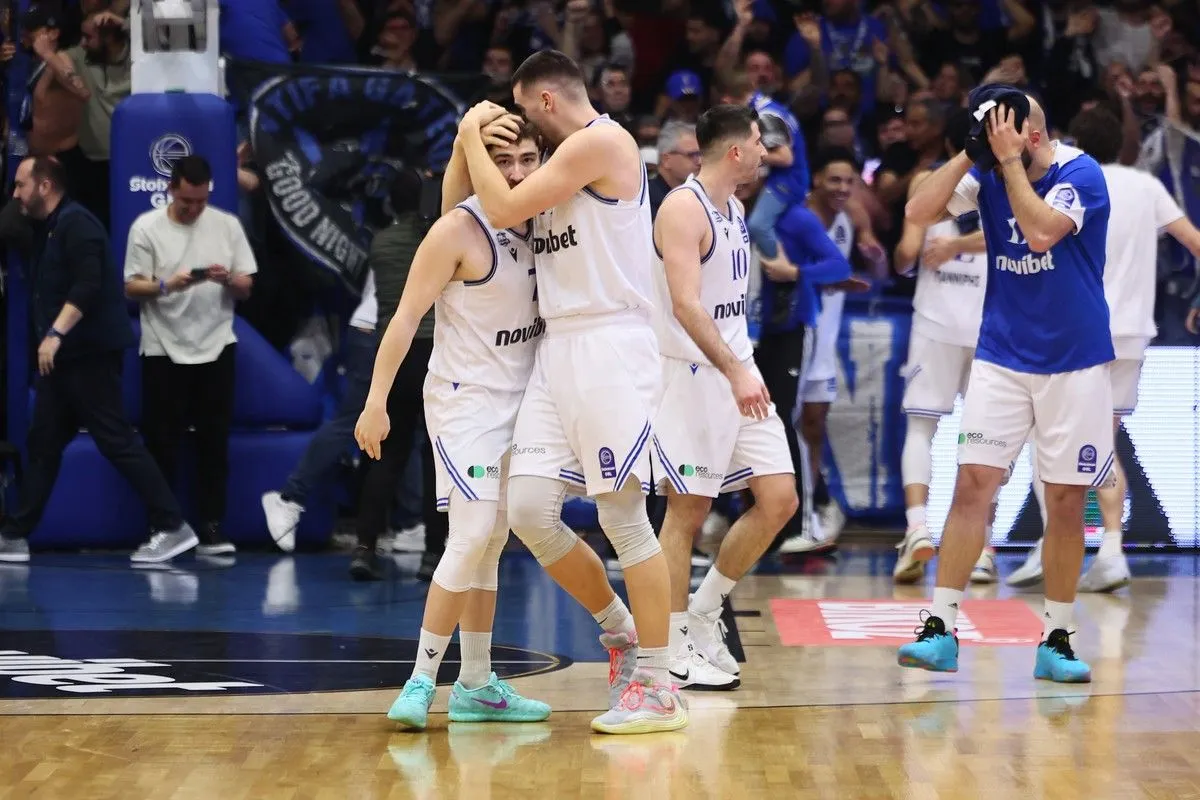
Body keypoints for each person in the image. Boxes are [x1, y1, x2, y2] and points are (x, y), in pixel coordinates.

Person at [457, 50, 686, 735]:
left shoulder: (603, 142)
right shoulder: (560, 163)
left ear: (547, 102)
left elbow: (501, 206)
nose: (523, 122)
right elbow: (471, 212)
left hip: (610, 342)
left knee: (624, 517)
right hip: (558, 345)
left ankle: (658, 685)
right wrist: (465, 147)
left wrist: (469, 133)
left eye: (525, 109)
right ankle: (620, 629)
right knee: (528, 509)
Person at [898, 90, 1112, 683]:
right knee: (973, 485)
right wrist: (971, 156)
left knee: (1064, 499)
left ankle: (1057, 638)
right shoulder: (988, 171)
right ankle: (940, 628)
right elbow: (918, 211)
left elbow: (1041, 233)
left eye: (1000, 138)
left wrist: (1010, 161)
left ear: (1031, 136)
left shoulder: (1081, 174)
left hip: (1074, 361)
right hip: (1002, 355)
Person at [355, 114, 551, 730]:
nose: (515, 173)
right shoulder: (456, 229)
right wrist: (376, 401)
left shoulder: (544, 219)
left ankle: (476, 683)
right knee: (469, 535)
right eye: (502, 160)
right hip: (465, 401)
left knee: (492, 542)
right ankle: (420, 680)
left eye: (526, 160)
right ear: (477, 162)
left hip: (522, 400)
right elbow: (404, 318)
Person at [1007, 105, 1200, 593]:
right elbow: (1194, 241)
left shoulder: (1069, 180)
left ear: (1075, 141)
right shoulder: (1147, 186)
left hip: (1078, 330)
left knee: (1048, 438)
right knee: (1100, 444)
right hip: (1132, 333)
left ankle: (1053, 542)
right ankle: (1111, 550)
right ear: (1124, 146)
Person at [652, 104, 795, 692]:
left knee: (780, 499)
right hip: (694, 375)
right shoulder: (682, 208)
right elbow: (685, 304)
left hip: (737, 370)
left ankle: (706, 611)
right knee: (686, 512)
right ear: (735, 150)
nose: (765, 151)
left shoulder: (734, 206)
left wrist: (741, 368)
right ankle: (670, 645)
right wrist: (735, 370)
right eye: (758, 141)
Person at [0, 156, 197, 565]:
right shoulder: (48, 228)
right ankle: (14, 535)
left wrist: (55, 334)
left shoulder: (79, 225)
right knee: (44, 444)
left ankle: (173, 525)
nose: (15, 193)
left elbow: (88, 286)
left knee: (116, 440)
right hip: (62, 363)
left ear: (45, 186)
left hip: (88, 356)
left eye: (20, 185)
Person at [123, 155, 256, 558]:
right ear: (171, 190)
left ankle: (212, 526)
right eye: (186, 202)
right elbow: (131, 287)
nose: (194, 209)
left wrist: (226, 278)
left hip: (216, 345)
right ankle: (163, 526)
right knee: (161, 443)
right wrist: (168, 285)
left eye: (200, 201)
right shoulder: (146, 227)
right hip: (162, 346)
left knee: (214, 443)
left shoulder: (227, 225)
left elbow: (246, 287)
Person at [890, 110, 993, 585]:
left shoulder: (926, 182)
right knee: (987, 437)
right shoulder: (1009, 181)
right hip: (988, 324)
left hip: (937, 321)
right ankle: (983, 547)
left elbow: (906, 257)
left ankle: (917, 527)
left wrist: (945, 248)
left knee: (920, 427)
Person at [779, 147, 861, 554]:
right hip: (796, 332)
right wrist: (813, 276)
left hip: (823, 340)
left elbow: (840, 270)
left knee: (812, 426)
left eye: (849, 181)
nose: (842, 188)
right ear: (816, 180)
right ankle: (799, 513)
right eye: (834, 180)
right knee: (787, 426)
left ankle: (817, 508)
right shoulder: (798, 219)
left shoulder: (846, 221)